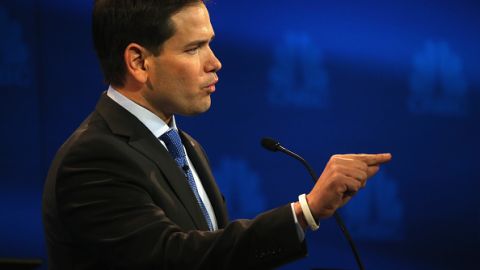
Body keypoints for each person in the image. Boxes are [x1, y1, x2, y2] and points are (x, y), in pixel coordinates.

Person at [42, 0, 392, 269]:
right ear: (139, 62)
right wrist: (305, 211)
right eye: (194, 48)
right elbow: (173, 259)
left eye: (209, 44)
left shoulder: (185, 147)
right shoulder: (93, 157)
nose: (215, 62)